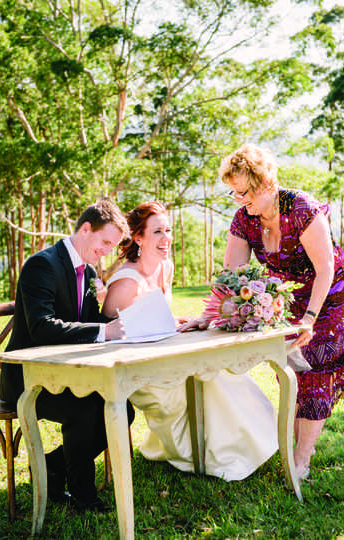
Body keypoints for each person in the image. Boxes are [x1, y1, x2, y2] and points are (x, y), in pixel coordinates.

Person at [102, 201, 278, 482]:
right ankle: (213, 455)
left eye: (168, 230)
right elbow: (110, 336)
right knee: (211, 380)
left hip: (167, 353)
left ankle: (250, 444)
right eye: (157, 231)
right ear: (138, 238)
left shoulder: (165, 267)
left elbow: (158, 315)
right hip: (139, 372)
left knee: (221, 372)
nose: (166, 238)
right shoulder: (126, 283)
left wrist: (181, 321)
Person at [207, 142, 344, 480]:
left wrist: (310, 319)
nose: (239, 201)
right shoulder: (245, 219)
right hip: (293, 299)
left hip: (332, 295)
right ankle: (295, 448)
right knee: (296, 371)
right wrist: (210, 313)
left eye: (244, 193)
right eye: (234, 194)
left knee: (316, 366)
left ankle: (300, 460)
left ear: (266, 183)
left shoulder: (301, 208)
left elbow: (325, 267)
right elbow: (231, 273)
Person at [0, 199, 135, 511]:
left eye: (112, 246)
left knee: (122, 409)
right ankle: (83, 494)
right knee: (87, 409)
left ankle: (52, 465)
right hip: (25, 378)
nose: (106, 252)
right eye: (104, 242)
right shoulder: (42, 265)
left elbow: (87, 319)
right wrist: (104, 332)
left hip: (64, 373)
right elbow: (42, 328)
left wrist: (122, 325)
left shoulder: (85, 269)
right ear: (85, 229)